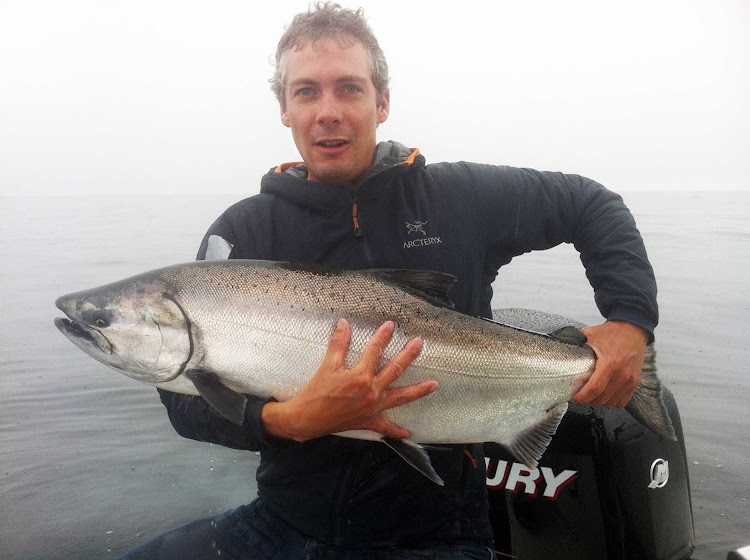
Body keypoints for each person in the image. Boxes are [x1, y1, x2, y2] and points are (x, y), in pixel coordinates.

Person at [121, 3, 657, 559]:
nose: (328, 111)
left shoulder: (460, 199)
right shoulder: (244, 233)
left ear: (382, 101)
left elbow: (596, 206)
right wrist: (287, 420)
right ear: (284, 109)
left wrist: (631, 322)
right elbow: (183, 399)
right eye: (306, 91)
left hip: (436, 536)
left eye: (348, 89)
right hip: (283, 525)